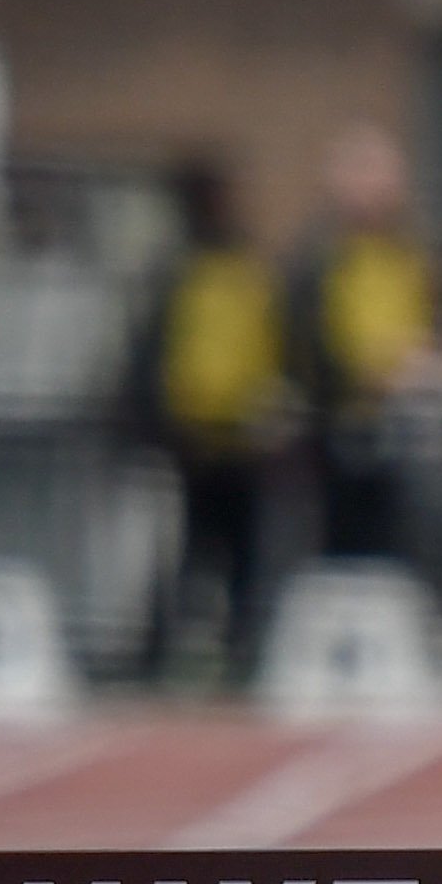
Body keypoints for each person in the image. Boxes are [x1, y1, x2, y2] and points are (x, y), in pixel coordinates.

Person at [134, 155, 290, 687]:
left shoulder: (247, 270)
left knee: (242, 554)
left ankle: (240, 653)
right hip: (190, 439)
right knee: (183, 555)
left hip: (241, 438)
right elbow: (156, 351)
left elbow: (267, 343)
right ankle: (166, 652)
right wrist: (160, 422)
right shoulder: (180, 270)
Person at [286, 120, 438, 563]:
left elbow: (419, 324)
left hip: (397, 424)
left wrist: (413, 370)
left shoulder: (404, 256)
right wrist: (358, 380)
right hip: (337, 424)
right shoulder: (322, 258)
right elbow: (307, 338)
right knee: (339, 540)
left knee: (393, 539)